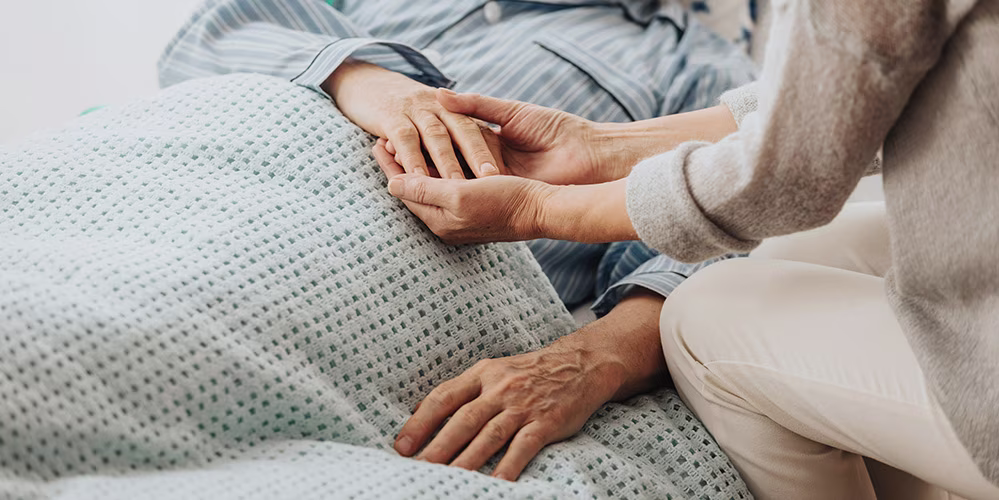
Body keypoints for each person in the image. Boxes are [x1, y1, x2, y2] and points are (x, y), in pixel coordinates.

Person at [377, 0, 999, 499]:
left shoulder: (695, 61)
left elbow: (789, 173)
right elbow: (853, 103)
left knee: (703, 315)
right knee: (821, 250)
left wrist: (537, 210)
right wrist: (599, 146)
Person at [158, 0, 757, 481]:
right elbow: (216, 30)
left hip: (389, 283)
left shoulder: (701, 71)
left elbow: (723, 234)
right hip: (203, 192)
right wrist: (369, 80)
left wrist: (593, 359)